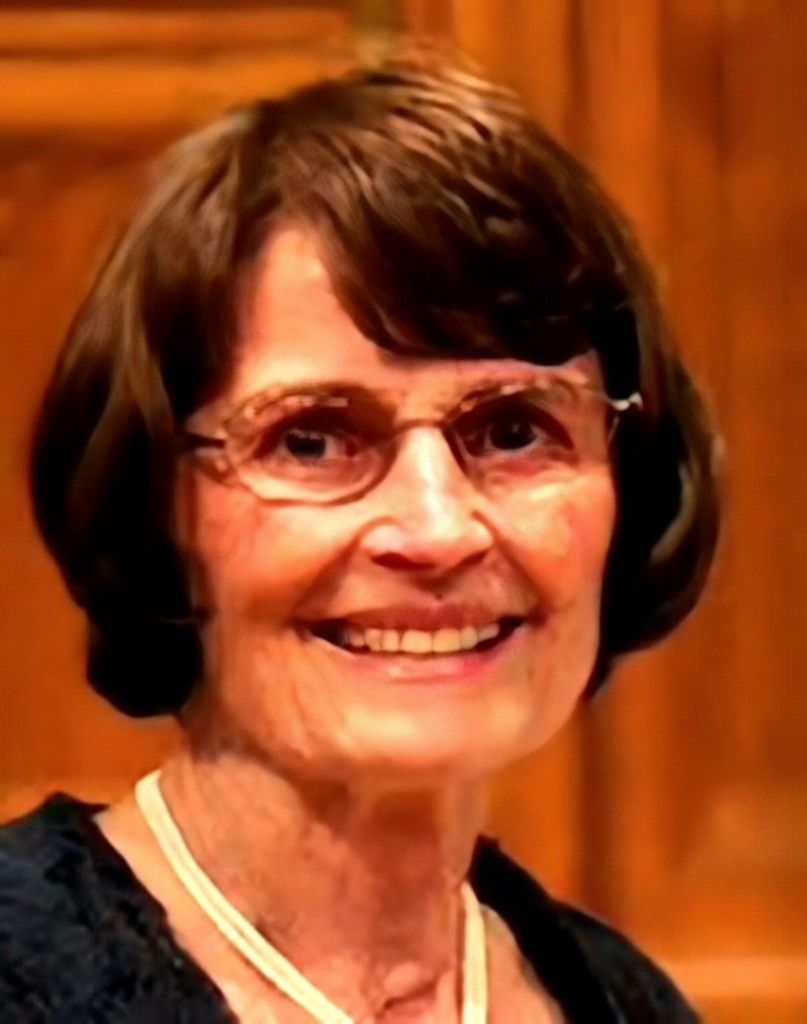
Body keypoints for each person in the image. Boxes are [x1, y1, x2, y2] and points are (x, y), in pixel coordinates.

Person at [1, 53, 718, 1023]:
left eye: (513, 430)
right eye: (312, 439)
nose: (437, 528)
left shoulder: (626, 1003)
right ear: (157, 502)